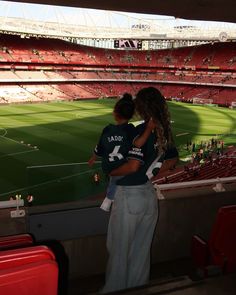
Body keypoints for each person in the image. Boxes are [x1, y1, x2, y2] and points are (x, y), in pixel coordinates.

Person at [101, 87, 175, 293]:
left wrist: (112, 173)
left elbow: (132, 166)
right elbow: (172, 160)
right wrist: (150, 173)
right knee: (142, 251)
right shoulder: (164, 129)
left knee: (119, 250)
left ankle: (114, 290)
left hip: (130, 196)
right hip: (148, 196)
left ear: (141, 106)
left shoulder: (140, 130)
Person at [88, 93, 155, 211]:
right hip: (122, 167)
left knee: (113, 179)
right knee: (118, 178)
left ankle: (108, 199)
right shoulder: (131, 130)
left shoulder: (107, 129)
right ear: (131, 115)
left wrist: (93, 157)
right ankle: (110, 199)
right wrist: (149, 129)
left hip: (108, 166)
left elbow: (100, 147)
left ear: (115, 113)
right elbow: (139, 143)